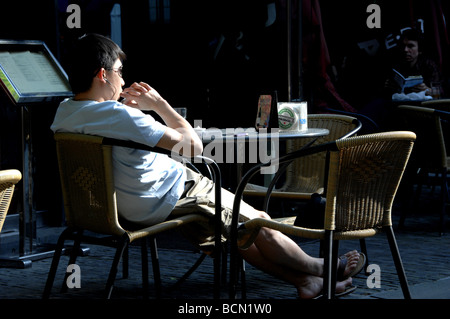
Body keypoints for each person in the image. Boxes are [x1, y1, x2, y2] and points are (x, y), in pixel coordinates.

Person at [51, 33, 364, 299]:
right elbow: (194, 147)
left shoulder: (65, 113)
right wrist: (159, 104)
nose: (123, 78)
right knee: (257, 221)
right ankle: (322, 267)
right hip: (171, 193)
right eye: (119, 70)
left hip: (125, 206)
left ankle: (306, 282)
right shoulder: (120, 116)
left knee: (234, 231)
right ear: (102, 75)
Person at [384, 28, 442, 96]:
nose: (405, 50)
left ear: (419, 49)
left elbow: (441, 92)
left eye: (410, 46)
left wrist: (427, 90)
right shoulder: (396, 65)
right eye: (403, 46)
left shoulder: (429, 65)